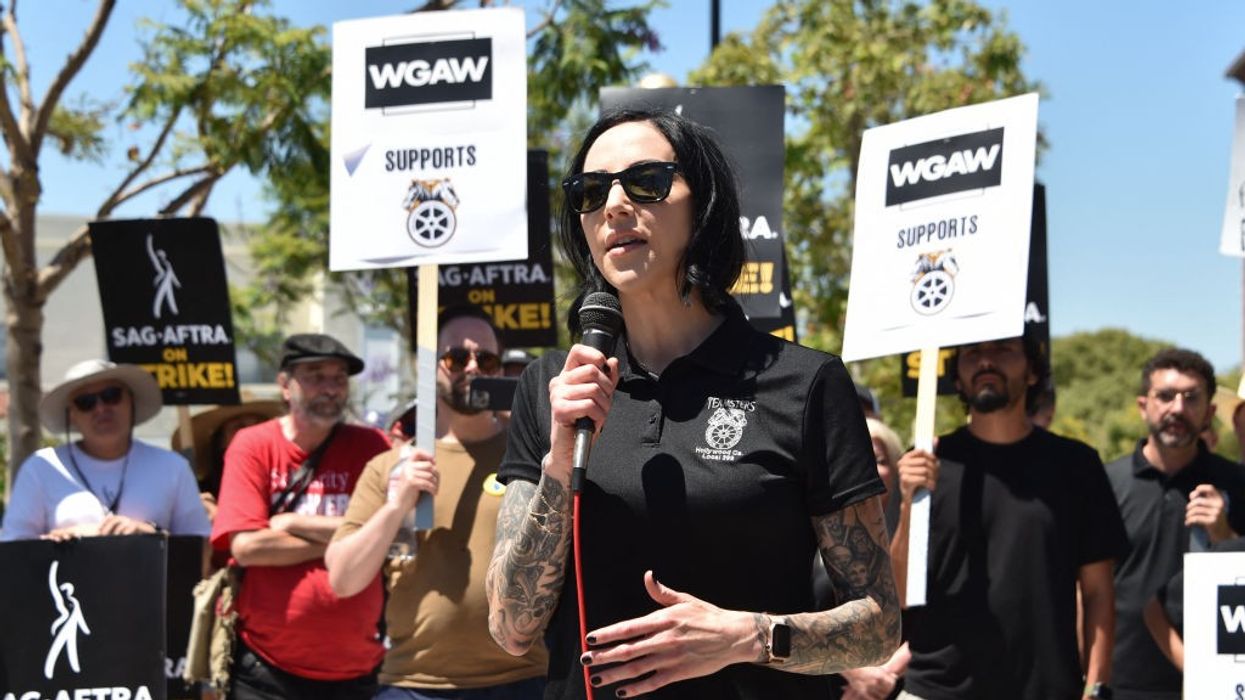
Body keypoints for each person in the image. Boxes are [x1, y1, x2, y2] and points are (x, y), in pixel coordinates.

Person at [485, 108, 900, 700]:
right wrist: (558, 459)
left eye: (646, 181)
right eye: (591, 191)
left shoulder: (806, 383)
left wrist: (745, 637)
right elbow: (509, 627)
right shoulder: (552, 385)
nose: (615, 206)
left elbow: (879, 627)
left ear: (702, 205)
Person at [326, 305, 547, 699]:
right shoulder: (389, 467)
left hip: (523, 680)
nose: (473, 367)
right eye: (456, 357)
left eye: (487, 358)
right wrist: (396, 507)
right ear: (428, 367)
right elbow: (343, 580)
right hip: (414, 685)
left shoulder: (536, 454)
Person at [891, 336, 1127, 700]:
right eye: (972, 353)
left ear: (1033, 372)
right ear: (957, 379)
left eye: (1002, 349)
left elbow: (1098, 593)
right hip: (938, 690)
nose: (986, 361)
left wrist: (1097, 687)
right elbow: (899, 593)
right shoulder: (927, 463)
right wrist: (908, 506)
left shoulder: (1076, 465)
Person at [210, 333, 391, 699]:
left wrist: (294, 524)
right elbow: (247, 546)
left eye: (338, 378)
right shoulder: (253, 444)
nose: (330, 388)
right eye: (315, 376)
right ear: (285, 385)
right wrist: (355, 540)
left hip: (358, 671)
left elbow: (394, 534)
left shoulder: (373, 446)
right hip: (266, 672)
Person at [1105, 348, 1245, 700]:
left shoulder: (1237, 483)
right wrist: (1090, 681)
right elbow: (1087, 591)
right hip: (1122, 685)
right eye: (1165, 396)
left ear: (1209, 413)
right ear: (1143, 405)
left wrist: (1225, 536)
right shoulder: (1105, 483)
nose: (1178, 409)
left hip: (1220, 687)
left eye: (1191, 398)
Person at [1, 359, 210, 541]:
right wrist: (54, 543)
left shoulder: (172, 467)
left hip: (151, 586)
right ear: (71, 414)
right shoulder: (42, 468)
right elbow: (12, 549)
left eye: (111, 395)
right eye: (86, 402)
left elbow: (199, 549)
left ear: (131, 400)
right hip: (63, 586)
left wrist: (149, 534)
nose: (101, 408)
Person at [171, 400, 285, 522]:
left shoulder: (292, 481)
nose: (251, 432)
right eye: (239, 427)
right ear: (220, 442)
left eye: (259, 425)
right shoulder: (199, 492)